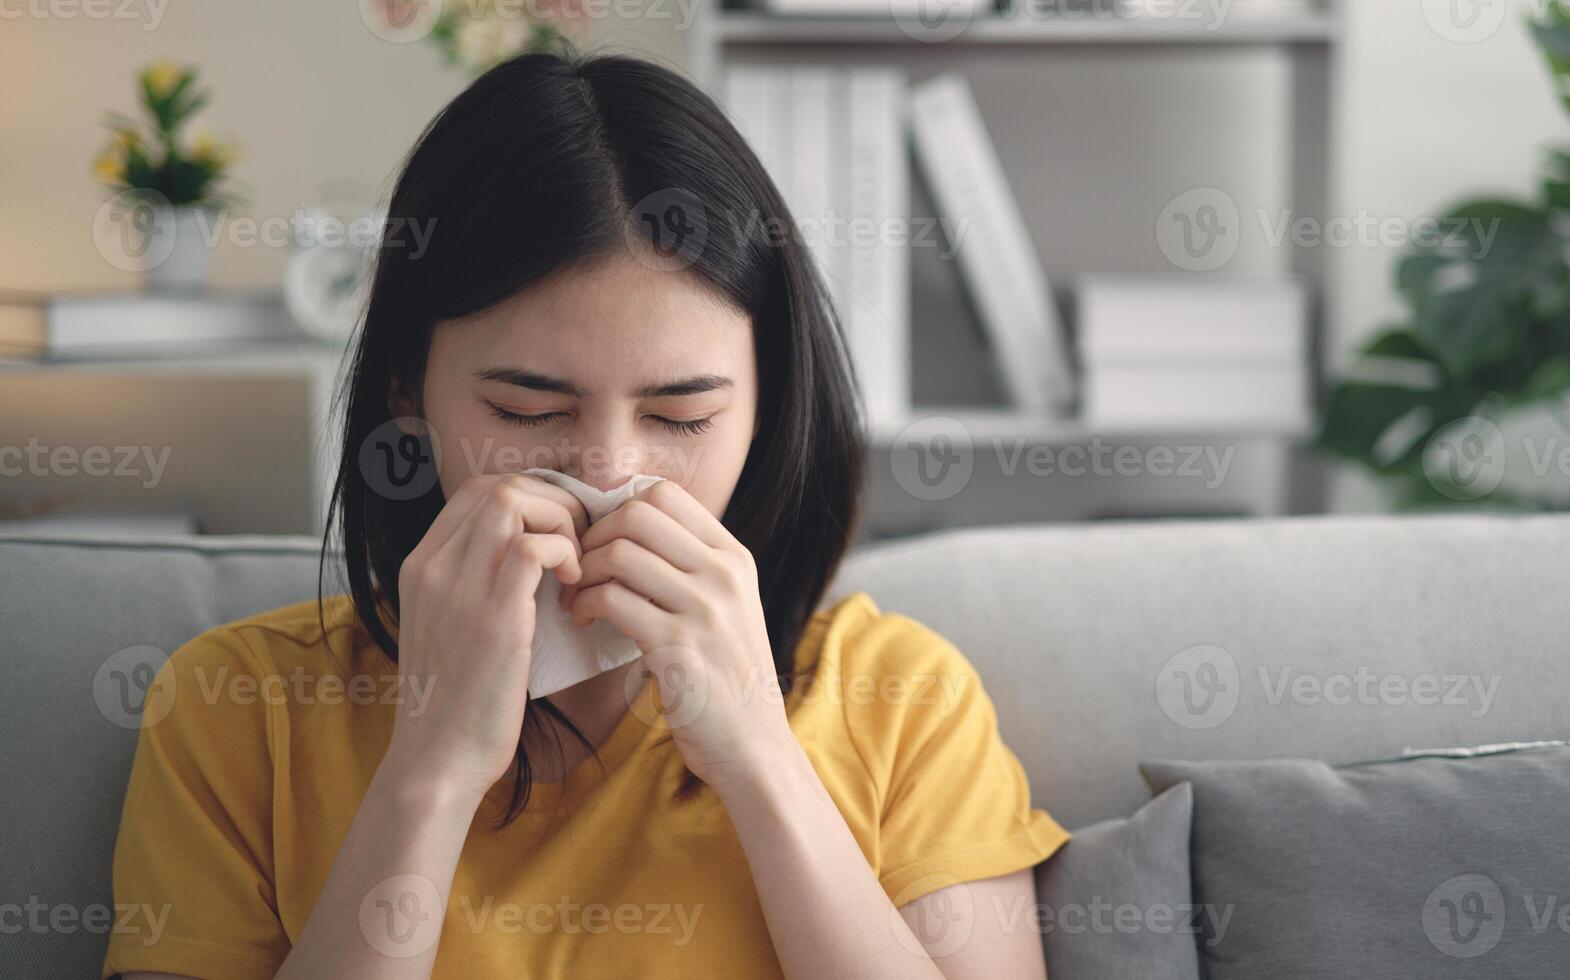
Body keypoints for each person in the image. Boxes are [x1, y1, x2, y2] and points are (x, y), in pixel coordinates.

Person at [104, 48, 1068, 980]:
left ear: (768, 408)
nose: (608, 471)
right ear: (409, 391)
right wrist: (429, 774)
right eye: (528, 411)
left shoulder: (903, 700)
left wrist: (761, 761)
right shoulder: (237, 708)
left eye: (680, 416)